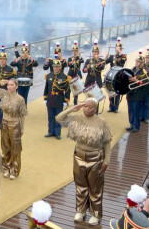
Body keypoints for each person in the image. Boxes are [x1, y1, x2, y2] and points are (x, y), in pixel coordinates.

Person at [56, 98, 112, 226]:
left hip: (96, 158)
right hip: (79, 156)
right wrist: (73, 108)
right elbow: (58, 118)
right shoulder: (77, 118)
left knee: (95, 188)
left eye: (90, 107)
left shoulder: (101, 122)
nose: (87, 109)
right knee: (80, 186)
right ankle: (80, 211)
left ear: (95, 108)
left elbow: (107, 142)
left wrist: (106, 161)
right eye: (85, 106)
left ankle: (95, 214)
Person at [0, 79, 26, 179]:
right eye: (8, 85)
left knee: (15, 149)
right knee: (5, 147)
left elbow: (22, 115)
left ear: (16, 86)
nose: (9, 87)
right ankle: (6, 168)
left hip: (15, 124)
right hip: (4, 123)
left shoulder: (20, 99)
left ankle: (14, 170)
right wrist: (0, 82)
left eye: (12, 85)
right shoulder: (4, 94)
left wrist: (22, 128)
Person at [43, 59, 71, 139]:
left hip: (59, 99)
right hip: (50, 99)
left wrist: (66, 101)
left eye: (57, 67)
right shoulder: (49, 76)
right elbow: (46, 88)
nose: (55, 68)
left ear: (60, 67)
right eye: (54, 67)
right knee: (50, 116)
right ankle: (50, 131)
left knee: (59, 117)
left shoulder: (64, 77)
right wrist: (45, 98)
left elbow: (68, 90)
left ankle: (57, 132)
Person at [0, 50, 16, 130]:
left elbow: (14, 81)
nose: (2, 60)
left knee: (7, 109)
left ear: (6, 60)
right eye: (0, 59)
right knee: (0, 108)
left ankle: (8, 123)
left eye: (3, 59)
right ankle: (1, 123)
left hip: (6, 92)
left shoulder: (10, 69)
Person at [126, 52, 148, 133]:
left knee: (136, 111)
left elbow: (145, 84)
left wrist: (136, 81)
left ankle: (136, 126)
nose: (136, 63)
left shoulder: (145, 72)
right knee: (130, 110)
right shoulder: (133, 69)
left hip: (138, 95)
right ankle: (131, 124)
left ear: (142, 63)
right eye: (136, 61)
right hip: (131, 93)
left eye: (138, 62)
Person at [83, 40, 105, 114]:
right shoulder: (88, 60)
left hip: (97, 80)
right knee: (89, 97)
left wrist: (98, 60)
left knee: (96, 97)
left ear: (98, 53)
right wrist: (87, 68)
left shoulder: (101, 60)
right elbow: (83, 70)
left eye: (96, 52)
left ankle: (95, 112)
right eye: (93, 52)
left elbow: (102, 67)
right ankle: (88, 111)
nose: (94, 53)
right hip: (89, 80)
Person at [105, 37, 127, 113]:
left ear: (121, 49)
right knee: (111, 90)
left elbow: (122, 62)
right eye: (115, 49)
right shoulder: (111, 57)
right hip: (112, 76)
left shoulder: (123, 57)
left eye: (118, 49)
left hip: (119, 77)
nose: (116, 50)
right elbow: (105, 62)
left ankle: (116, 107)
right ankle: (111, 107)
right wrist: (106, 56)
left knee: (117, 92)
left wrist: (119, 53)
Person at [140, 51, 149, 124]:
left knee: (148, 103)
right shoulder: (143, 66)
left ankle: (146, 117)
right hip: (142, 87)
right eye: (146, 58)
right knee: (142, 102)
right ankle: (141, 116)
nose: (146, 59)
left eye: (148, 58)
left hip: (148, 87)